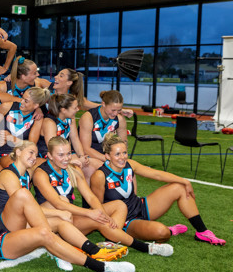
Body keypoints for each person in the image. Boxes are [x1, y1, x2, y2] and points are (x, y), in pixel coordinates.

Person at [0, 159, 136, 272]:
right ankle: (102, 267)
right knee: (44, 233)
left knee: (22, 194)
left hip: (2, 225)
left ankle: (62, 248)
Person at [34, 136, 174, 257]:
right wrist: (91, 213)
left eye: (68, 153)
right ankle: (147, 247)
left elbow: (90, 197)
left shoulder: (73, 169)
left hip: (70, 217)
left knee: (119, 205)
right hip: (52, 221)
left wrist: (101, 212)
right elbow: (58, 204)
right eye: (61, 155)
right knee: (74, 207)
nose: (66, 159)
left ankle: (114, 240)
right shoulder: (41, 173)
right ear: (50, 155)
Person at [90, 134, 226, 245]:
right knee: (163, 233)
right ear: (107, 156)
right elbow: (99, 206)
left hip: (140, 206)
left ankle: (202, 232)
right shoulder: (100, 175)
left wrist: (184, 181)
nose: (123, 157)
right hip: (126, 221)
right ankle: (169, 230)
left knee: (179, 187)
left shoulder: (129, 164)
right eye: (117, 154)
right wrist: (113, 230)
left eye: (124, 152)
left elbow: (157, 174)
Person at [39, 94, 93, 179]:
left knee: (90, 166)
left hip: (63, 153)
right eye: (75, 108)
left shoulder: (70, 119)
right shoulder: (50, 122)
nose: (78, 109)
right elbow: (52, 148)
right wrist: (70, 160)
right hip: (48, 155)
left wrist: (82, 156)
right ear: (63, 110)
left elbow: (75, 139)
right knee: (78, 168)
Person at [0, 87, 50, 167]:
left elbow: (31, 145)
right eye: (22, 98)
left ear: (36, 105)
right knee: (15, 166)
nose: (21, 102)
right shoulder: (6, 107)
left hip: (24, 154)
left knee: (46, 166)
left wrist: (12, 138)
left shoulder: (38, 119)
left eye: (26, 101)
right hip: (4, 152)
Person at [78, 90, 128, 175]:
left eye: (119, 110)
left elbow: (124, 144)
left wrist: (119, 157)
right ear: (103, 104)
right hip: (86, 154)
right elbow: (85, 149)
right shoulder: (88, 117)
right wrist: (109, 159)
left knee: (129, 168)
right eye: (113, 110)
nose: (115, 113)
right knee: (100, 169)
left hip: (107, 155)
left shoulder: (120, 119)